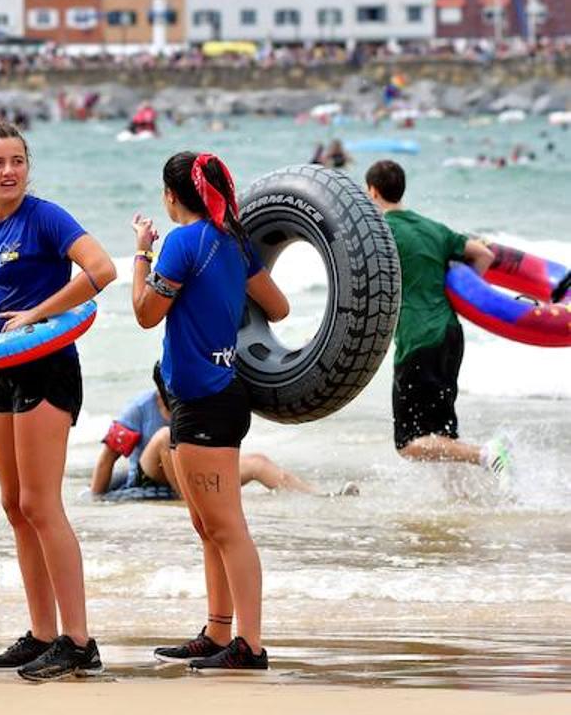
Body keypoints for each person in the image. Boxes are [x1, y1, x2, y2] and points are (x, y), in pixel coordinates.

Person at [0, 121, 116, 681]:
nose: (9, 171)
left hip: (47, 367)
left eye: (17, 160)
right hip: (0, 368)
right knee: (13, 504)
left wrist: (41, 314)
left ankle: (79, 641)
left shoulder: (47, 217)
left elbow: (102, 270)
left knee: (42, 504)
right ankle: (42, 633)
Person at [131, 151, 290, 671]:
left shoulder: (182, 241)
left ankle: (251, 644)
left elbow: (145, 315)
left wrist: (141, 256)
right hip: (215, 396)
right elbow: (279, 307)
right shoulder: (233, 241)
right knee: (208, 526)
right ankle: (220, 631)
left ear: (171, 196)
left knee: (226, 527)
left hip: (204, 402)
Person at [364, 160, 510, 481]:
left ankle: (487, 454)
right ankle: (462, 498)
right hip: (450, 333)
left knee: (407, 443)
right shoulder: (433, 228)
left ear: (372, 191)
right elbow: (484, 255)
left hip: (418, 340)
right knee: (442, 428)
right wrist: (466, 292)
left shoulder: (381, 234)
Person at [92, 364, 333, 500]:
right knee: (166, 437)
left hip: (190, 468)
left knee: (258, 462)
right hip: (151, 475)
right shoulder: (138, 408)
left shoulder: (193, 402)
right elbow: (107, 458)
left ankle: (317, 496)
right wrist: (96, 499)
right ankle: (190, 502)